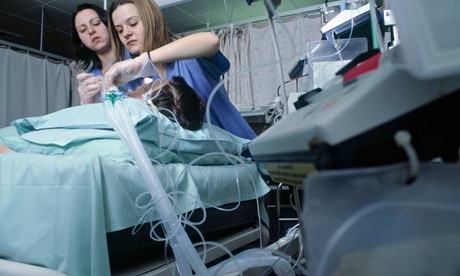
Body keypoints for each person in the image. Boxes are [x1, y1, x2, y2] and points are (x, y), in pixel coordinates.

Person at [105, 0, 257, 140]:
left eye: (133, 23)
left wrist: (143, 61)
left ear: (152, 21)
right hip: (198, 163)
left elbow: (211, 41)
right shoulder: (136, 84)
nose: (125, 33)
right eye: (119, 30)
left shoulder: (190, 60)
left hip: (240, 153)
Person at [70, 3, 148, 105]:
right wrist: (87, 103)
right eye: (82, 30)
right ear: (80, 41)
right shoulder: (92, 78)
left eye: (96, 23)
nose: (90, 31)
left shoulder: (137, 54)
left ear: (109, 25)